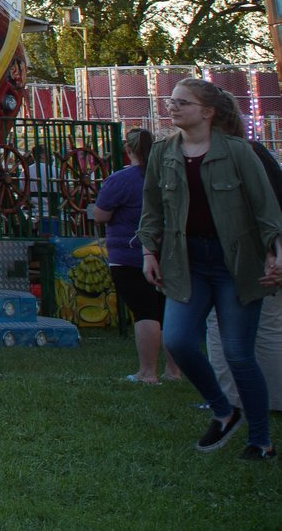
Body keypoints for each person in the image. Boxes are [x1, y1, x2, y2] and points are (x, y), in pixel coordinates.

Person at [135, 78, 282, 457]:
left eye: (183, 102)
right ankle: (223, 411)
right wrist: (149, 252)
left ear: (208, 111)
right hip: (187, 263)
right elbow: (151, 209)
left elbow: (267, 210)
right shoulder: (163, 153)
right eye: (171, 101)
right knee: (179, 341)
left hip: (236, 263)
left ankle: (260, 441)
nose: (173, 107)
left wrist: (276, 250)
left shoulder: (239, 152)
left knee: (238, 353)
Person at [87, 129, 176, 384]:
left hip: (129, 252)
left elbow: (101, 214)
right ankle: (174, 370)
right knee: (168, 312)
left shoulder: (121, 180)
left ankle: (147, 372)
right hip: (167, 251)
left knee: (144, 311)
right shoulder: (164, 177)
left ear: (128, 149)